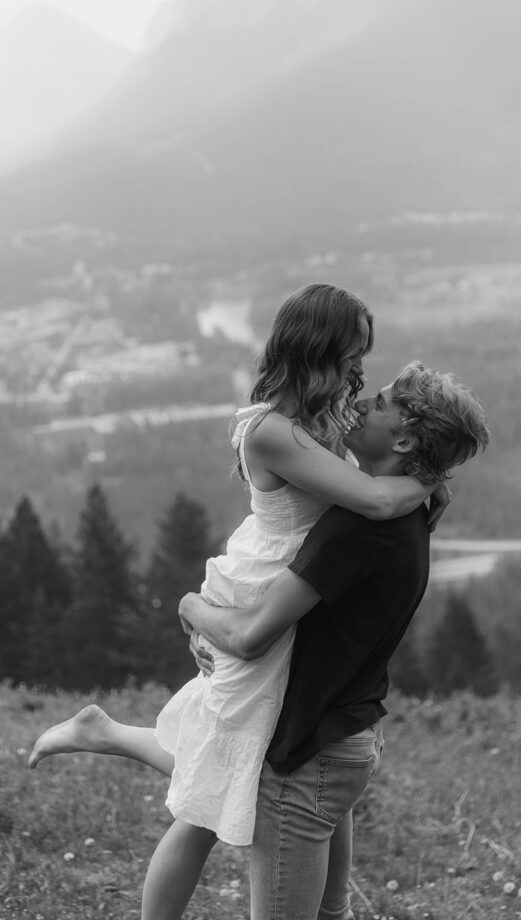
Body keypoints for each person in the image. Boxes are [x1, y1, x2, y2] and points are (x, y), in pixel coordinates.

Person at [29, 284, 449, 920]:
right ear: (315, 350)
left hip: (289, 588)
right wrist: (430, 474)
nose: (361, 371)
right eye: (350, 356)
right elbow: (374, 500)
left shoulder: (328, 417)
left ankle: (105, 732)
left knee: (229, 764)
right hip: (260, 591)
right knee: (213, 787)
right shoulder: (271, 431)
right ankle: (107, 741)